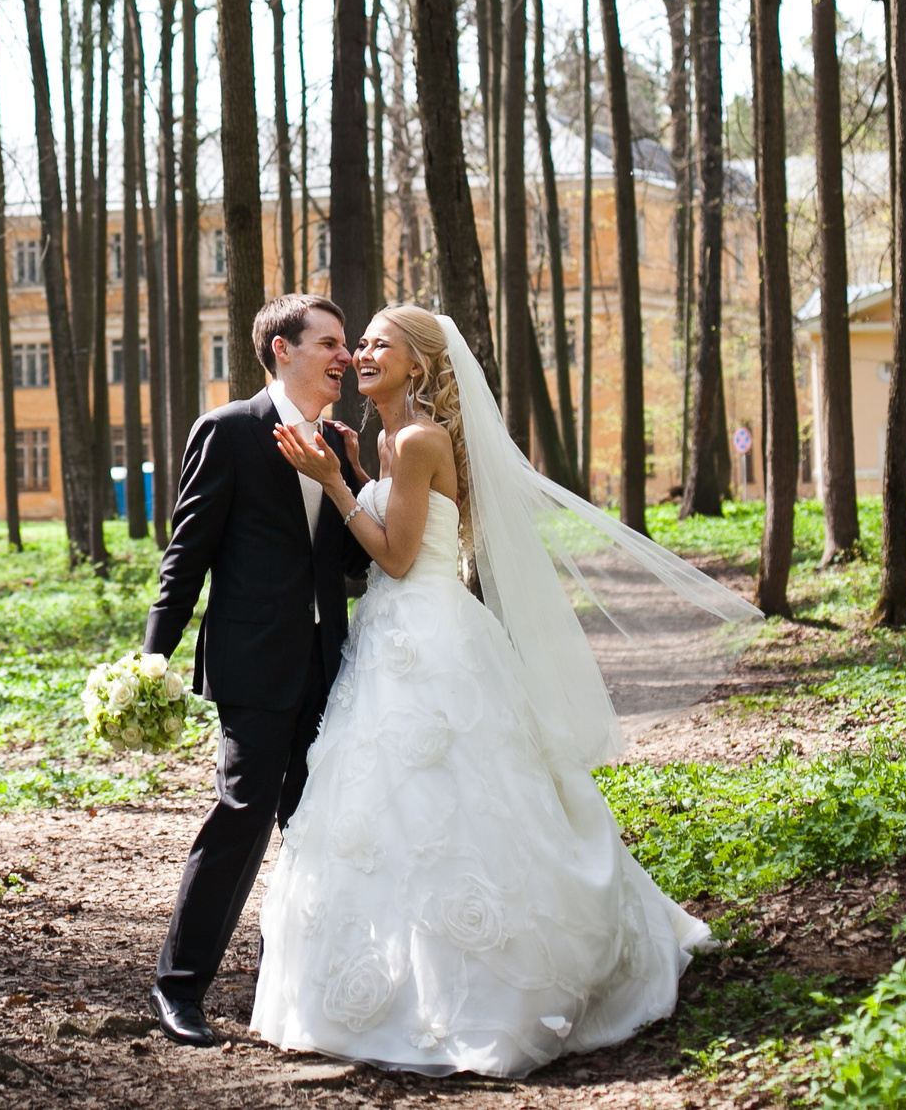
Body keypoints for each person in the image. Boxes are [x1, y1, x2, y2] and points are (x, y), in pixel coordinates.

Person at [247, 304, 759, 1076]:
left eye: (379, 343)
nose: (361, 353)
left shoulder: (417, 439)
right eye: (360, 343)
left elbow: (395, 554)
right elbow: (404, 532)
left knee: (455, 801)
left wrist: (332, 482)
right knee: (391, 806)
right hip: (394, 640)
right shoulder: (391, 442)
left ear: (418, 365)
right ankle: (388, 990)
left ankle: (480, 991)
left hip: (430, 638)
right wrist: (356, 472)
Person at [142, 294, 368, 1047]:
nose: (345, 357)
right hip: (250, 660)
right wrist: (152, 654)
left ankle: (289, 985)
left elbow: (353, 565)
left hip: (328, 663)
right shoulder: (229, 429)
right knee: (243, 812)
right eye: (330, 342)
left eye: (346, 343)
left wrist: (355, 479)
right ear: (281, 349)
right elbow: (188, 551)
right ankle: (179, 986)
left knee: (312, 823)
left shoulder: (339, 437)